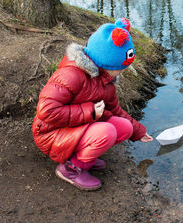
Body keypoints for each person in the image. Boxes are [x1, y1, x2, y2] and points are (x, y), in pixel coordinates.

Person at [32, 18, 153, 191]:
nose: (123, 71)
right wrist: (89, 111)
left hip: (76, 127)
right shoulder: (71, 76)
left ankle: (82, 155)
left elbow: (115, 110)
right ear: (106, 61)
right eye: (121, 67)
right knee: (107, 131)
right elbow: (47, 111)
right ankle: (70, 169)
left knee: (125, 127)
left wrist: (139, 131)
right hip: (50, 133)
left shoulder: (106, 80)